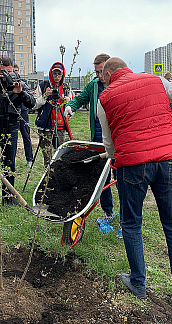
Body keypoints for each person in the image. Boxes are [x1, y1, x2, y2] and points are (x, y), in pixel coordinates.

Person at [97, 57, 172, 302]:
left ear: (111, 73)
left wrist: (114, 157)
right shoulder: (157, 81)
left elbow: (108, 140)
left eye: (103, 75)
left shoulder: (106, 97)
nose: (101, 79)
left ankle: (138, 282)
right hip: (168, 161)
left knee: (132, 224)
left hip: (132, 165)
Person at [64, 53, 117, 223]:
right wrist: (70, 107)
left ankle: (126, 217)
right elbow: (79, 99)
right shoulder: (94, 86)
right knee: (102, 177)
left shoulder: (119, 85)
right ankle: (107, 212)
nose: (99, 76)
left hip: (119, 139)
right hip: (99, 139)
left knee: (122, 178)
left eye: (102, 72)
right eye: (96, 72)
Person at [0, 57, 35, 209]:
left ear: (13, 70)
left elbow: (31, 103)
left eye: (9, 72)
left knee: (9, 162)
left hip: (11, 127)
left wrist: (20, 92)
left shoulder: (19, 83)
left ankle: (8, 195)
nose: (6, 75)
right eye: (3, 72)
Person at [33, 62, 72, 165]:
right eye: (55, 74)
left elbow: (72, 110)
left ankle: (59, 178)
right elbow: (34, 104)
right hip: (45, 126)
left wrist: (69, 102)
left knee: (60, 156)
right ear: (51, 73)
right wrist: (45, 96)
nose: (57, 76)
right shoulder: (43, 85)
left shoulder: (66, 88)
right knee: (48, 157)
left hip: (60, 126)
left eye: (59, 74)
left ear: (63, 75)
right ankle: (48, 178)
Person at [14, 63, 34, 168]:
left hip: (23, 112)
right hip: (12, 113)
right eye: (13, 70)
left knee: (26, 136)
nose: (15, 72)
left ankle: (29, 159)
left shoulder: (23, 83)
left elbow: (29, 98)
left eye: (16, 70)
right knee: (12, 137)